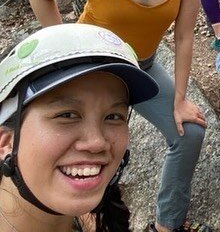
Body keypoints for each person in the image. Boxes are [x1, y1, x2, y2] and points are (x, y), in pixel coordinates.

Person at [28, 0, 208, 232]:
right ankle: (70, 217)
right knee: (83, 143)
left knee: (190, 134)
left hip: (143, 64)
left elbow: (185, 36)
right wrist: (67, 51)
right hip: (93, 68)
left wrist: (181, 100)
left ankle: (167, 224)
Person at [0, 23, 159, 232]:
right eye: (67, 115)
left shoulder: (91, 221)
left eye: (113, 116)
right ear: (5, 142)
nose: (97, 143)